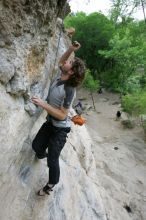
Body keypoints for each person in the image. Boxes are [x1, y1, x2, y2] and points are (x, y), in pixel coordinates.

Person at [31, 41, 85, 196]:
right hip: (50, 122)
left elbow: (62, 115)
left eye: (71, 63)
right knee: (36, 147)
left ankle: (50, 185)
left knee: (53, 160)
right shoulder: (60, 75)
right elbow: (61, 61)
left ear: (72, 72)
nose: (67, 61)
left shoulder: (69, 89)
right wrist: (71, 49)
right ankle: (42, 153)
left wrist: (43, 104)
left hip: (60, 128)